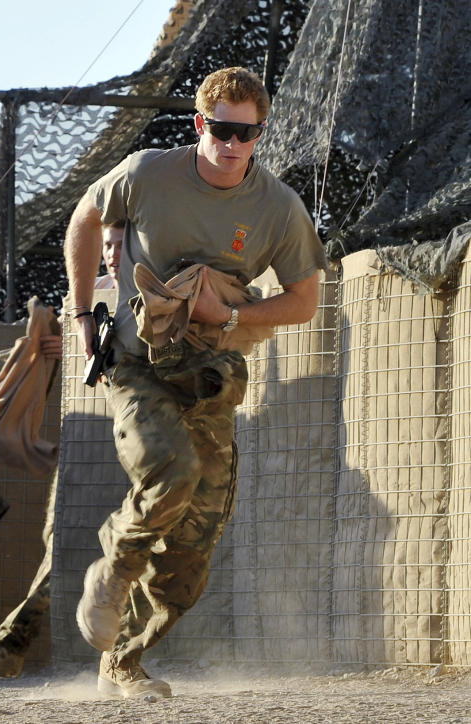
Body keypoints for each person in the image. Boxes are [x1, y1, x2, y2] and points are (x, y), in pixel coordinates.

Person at [64, 67, 326, 698]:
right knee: (168, 471)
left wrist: (231, 315)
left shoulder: (277, 208)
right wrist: (80, 314)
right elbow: (84, 218)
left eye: (248, 133)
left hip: (212, 377)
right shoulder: (149, 173)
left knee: (194, 545)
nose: (232, 144)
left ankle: (124, 659)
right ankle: (112, 569)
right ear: (199, 124)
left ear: (259, 135)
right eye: (222, 129)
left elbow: (304, 301)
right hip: (136, 365)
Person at [0, 222, 123, 678]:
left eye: (120, 244)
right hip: (87, 448)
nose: (112, 253)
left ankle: (113, 660)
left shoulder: (155, 292)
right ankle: (13, 645)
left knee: (130, 551)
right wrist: (57, 349)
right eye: (106, 245)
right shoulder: (87, 300)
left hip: (142, 450)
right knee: (61, 545)